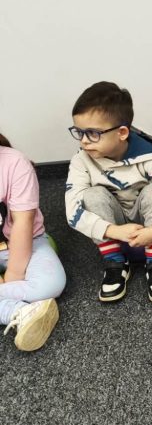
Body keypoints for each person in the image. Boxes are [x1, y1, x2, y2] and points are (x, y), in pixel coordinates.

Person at [65, 81, 152, 303]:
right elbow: (72, 210)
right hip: (115, 222)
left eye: (92, 133)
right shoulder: (80, 161)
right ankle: (115, 262)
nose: (84, 141)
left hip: (147, 220)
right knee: (92, 195)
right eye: (79, 132)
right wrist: (114, 231)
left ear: (122, 133)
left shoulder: (147, 156)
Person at [1, 132, 65, 350]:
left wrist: (12, 277)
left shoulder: (14, 162)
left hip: (25, 242)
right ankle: (20, 311)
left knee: (50, 285)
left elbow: (23, 222)